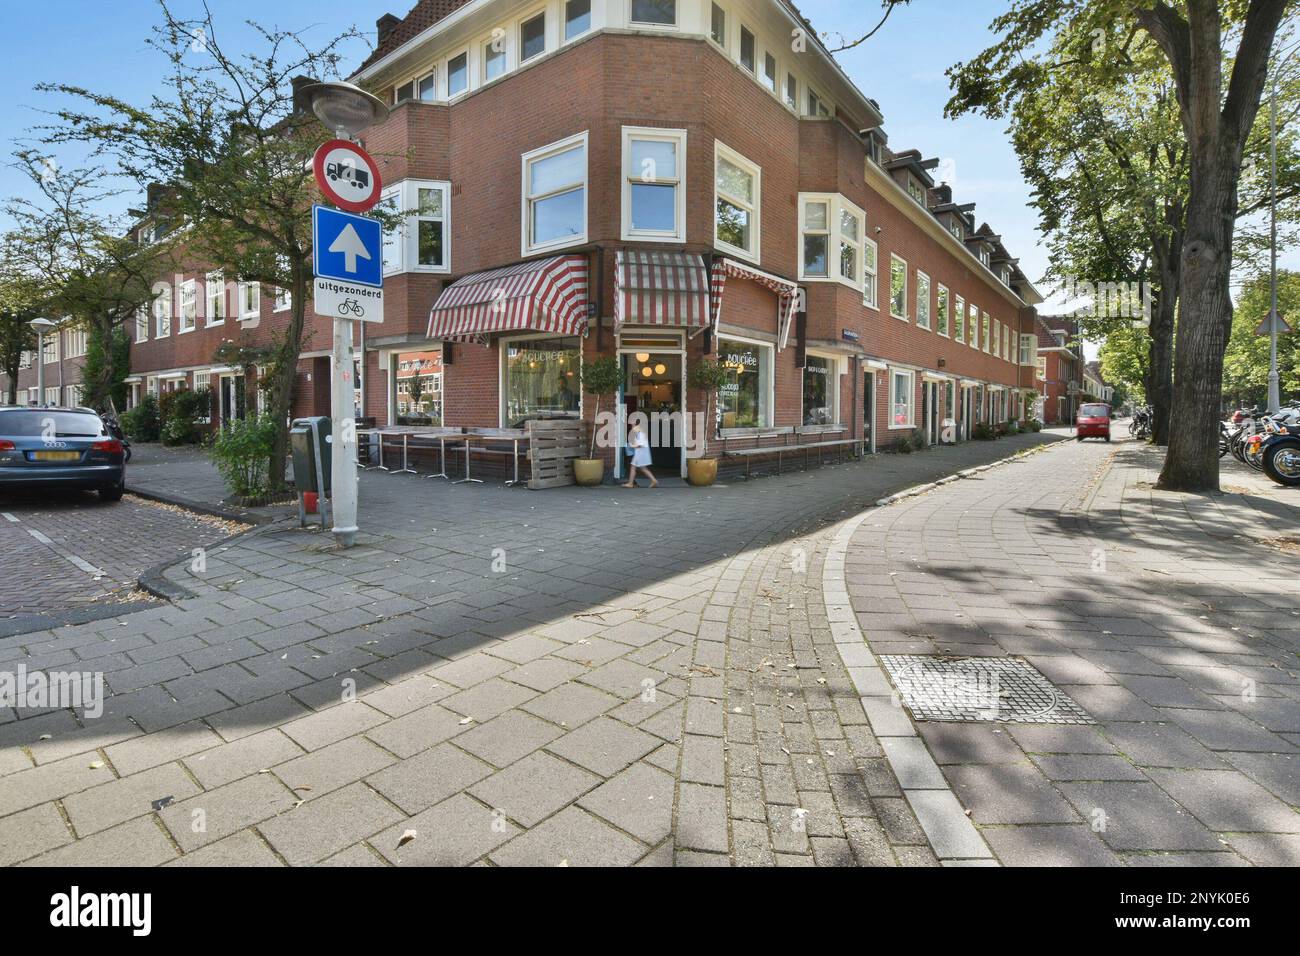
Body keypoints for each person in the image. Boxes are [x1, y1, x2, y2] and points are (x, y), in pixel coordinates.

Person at [622, 421, 657, 488]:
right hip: (640, 453)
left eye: (633, 426)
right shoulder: (639, 433)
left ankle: (631, 483)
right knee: (639, 468)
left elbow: (640, 445)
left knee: (638, 467)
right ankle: (653, 480)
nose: (632, 427)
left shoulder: (641, 434)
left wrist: (632, 446)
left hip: (641, 453)